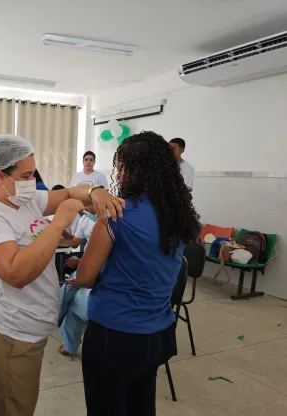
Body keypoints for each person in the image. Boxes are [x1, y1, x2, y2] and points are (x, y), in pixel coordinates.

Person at [0, 134, 124, 416]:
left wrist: (94, 192)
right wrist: (58, 224)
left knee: (21, 403)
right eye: (26, 175)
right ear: (0, 176)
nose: (32, 180)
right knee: (11, 408)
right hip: (9, 334)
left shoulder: (25, 200)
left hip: (30, 330)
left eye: (33, 173)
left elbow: (67, 193)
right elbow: (16, 273)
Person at [75, 131, 200, 415]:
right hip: (158, 333)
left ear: (130, 171)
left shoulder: (117, 215)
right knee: (141, 407)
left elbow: (85, 277)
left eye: (121, 167)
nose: (118, 174)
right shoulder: (177, 215)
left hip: (115, 334)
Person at [57, 215, 96, 357]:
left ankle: (58, 318)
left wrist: (79, 262)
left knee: (74, 300)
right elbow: (74, 242)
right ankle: (59, 318)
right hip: (88, 267)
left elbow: (106, 256)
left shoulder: (108, 220)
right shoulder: (86, 218)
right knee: (67, 291)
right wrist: (53, 233)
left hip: (102, 271)